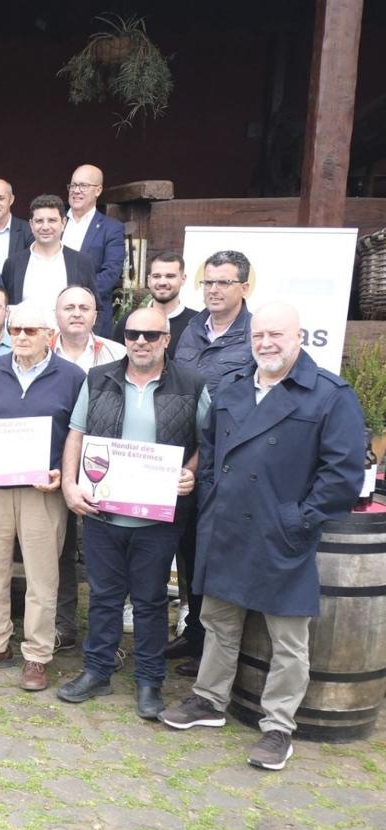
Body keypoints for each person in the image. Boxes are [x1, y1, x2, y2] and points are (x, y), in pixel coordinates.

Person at [160, 302, 364, 772]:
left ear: (298, 337)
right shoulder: (233, 387)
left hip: (283, 534)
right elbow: (209, 451)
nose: (266, 343)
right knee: (218, 622)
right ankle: (209, 701)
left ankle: (278, 727)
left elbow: (342, 475)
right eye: (258, 336)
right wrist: (211, 498)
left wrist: (299, 519)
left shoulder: (329, 395)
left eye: (276, 334)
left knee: (288, 639)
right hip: (228, 526)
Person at [57, 308, 209, 719]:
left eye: (151, 335)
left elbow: (205, 442)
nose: (141, 341)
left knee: (151, 601)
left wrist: (190, 473)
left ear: (166, 340)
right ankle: (97, 672)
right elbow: (77, 432)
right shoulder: (98, 378)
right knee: (104, 599)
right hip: (103, 513)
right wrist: (70, 485)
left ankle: (149, 682)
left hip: (158, 520)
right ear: (124, 337)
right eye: (133, 334)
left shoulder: (192, 384)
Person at [0, 304, 85, 691]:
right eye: (16, 330)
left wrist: (64, 474)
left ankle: (37, 655)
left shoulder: (73, 377)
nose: (22, 337)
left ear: (50, 335)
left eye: (30, 330)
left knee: (43, 577)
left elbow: (79, 436)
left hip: (43, 492)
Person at [167, 250, 256, 675]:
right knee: (186, 549)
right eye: (209, 282)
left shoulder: (255, 335)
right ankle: (194, 633)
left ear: (244, 287)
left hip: (225, 462)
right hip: (182, 458)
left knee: (213, 554)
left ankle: (216, 650)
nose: (215, 290)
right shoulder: (189, 331)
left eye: (224, 282)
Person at [49, 285, 127, 647]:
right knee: (59, 550)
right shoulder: (40, 349)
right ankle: (63, 624)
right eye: (69, 307)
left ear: (96, 315)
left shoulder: (119, 354)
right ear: (57, 314)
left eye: (84, 307)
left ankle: (102, 634)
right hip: (51, 469)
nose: (77, 313)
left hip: (105, 469)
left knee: (104, 557)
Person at [0, 195, 95, 323]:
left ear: (63, 223)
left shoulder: (81, 262)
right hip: (25, 338)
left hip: (66, 340)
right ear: (31, 225)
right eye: (39, 221)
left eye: (52, 220)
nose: (45, 227)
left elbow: (95, 308)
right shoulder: (14, 263)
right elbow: (4, 307)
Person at [62, 164, 125, 335]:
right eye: (73, 185)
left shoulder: (111, 228)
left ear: (98, 190)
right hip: (54, 311)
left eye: (83, 186)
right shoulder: (56, 223)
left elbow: (111, 272)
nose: (76, 190)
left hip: (91, 315)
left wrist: (78, 296)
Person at [112, 251, 199, 358]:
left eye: (170, 276)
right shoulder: (129, 320)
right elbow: (115, 363)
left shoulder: (197, 323)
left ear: (183, 279)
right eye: (156, 276)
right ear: (149, 280)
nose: (162, 282)